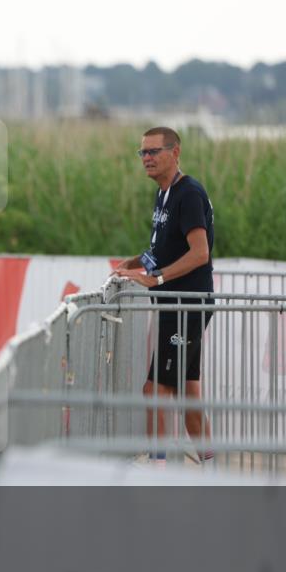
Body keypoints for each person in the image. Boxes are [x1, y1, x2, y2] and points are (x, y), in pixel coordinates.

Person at [114, 127, 215, 462]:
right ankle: (212, 472)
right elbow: (163, 248)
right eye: (142, 152)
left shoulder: (189, 194)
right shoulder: (164, 194)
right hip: (177, 307)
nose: (146, 158)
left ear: (175, 153)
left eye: (154, 151)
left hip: (185, 307)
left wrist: (154, 279)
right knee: (188, 396)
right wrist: (135, 262)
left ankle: (158, 471)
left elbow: (200, 253)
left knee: (154, 392)